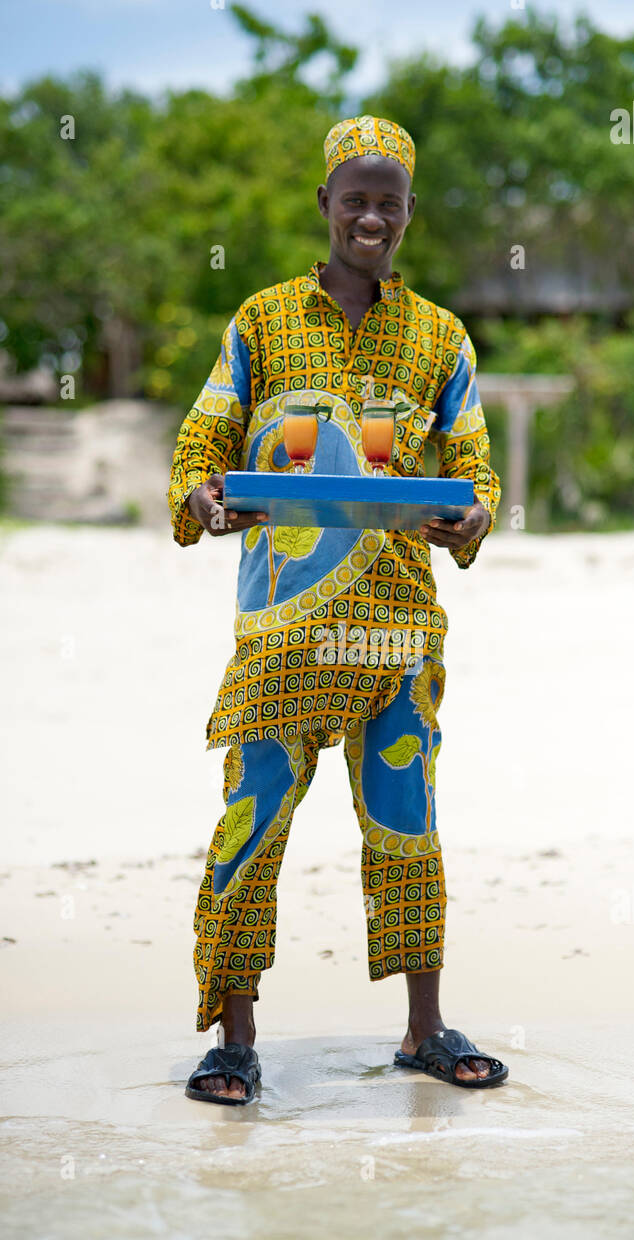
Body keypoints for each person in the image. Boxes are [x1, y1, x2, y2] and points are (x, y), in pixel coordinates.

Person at [169, 115, 508, 1104]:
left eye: (388, 203)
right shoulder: (260, 321)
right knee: (251, 822)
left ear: (406, 215)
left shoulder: (440, 337)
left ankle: (422, 1030)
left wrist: (472, 514)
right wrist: (201, 499)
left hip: (396, 631)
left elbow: (473, 466)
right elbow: (201, 442)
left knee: (407, 825)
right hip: (281, 632)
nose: (371, 217)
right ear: (325, 205)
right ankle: (234, 1039)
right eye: (353, 200)